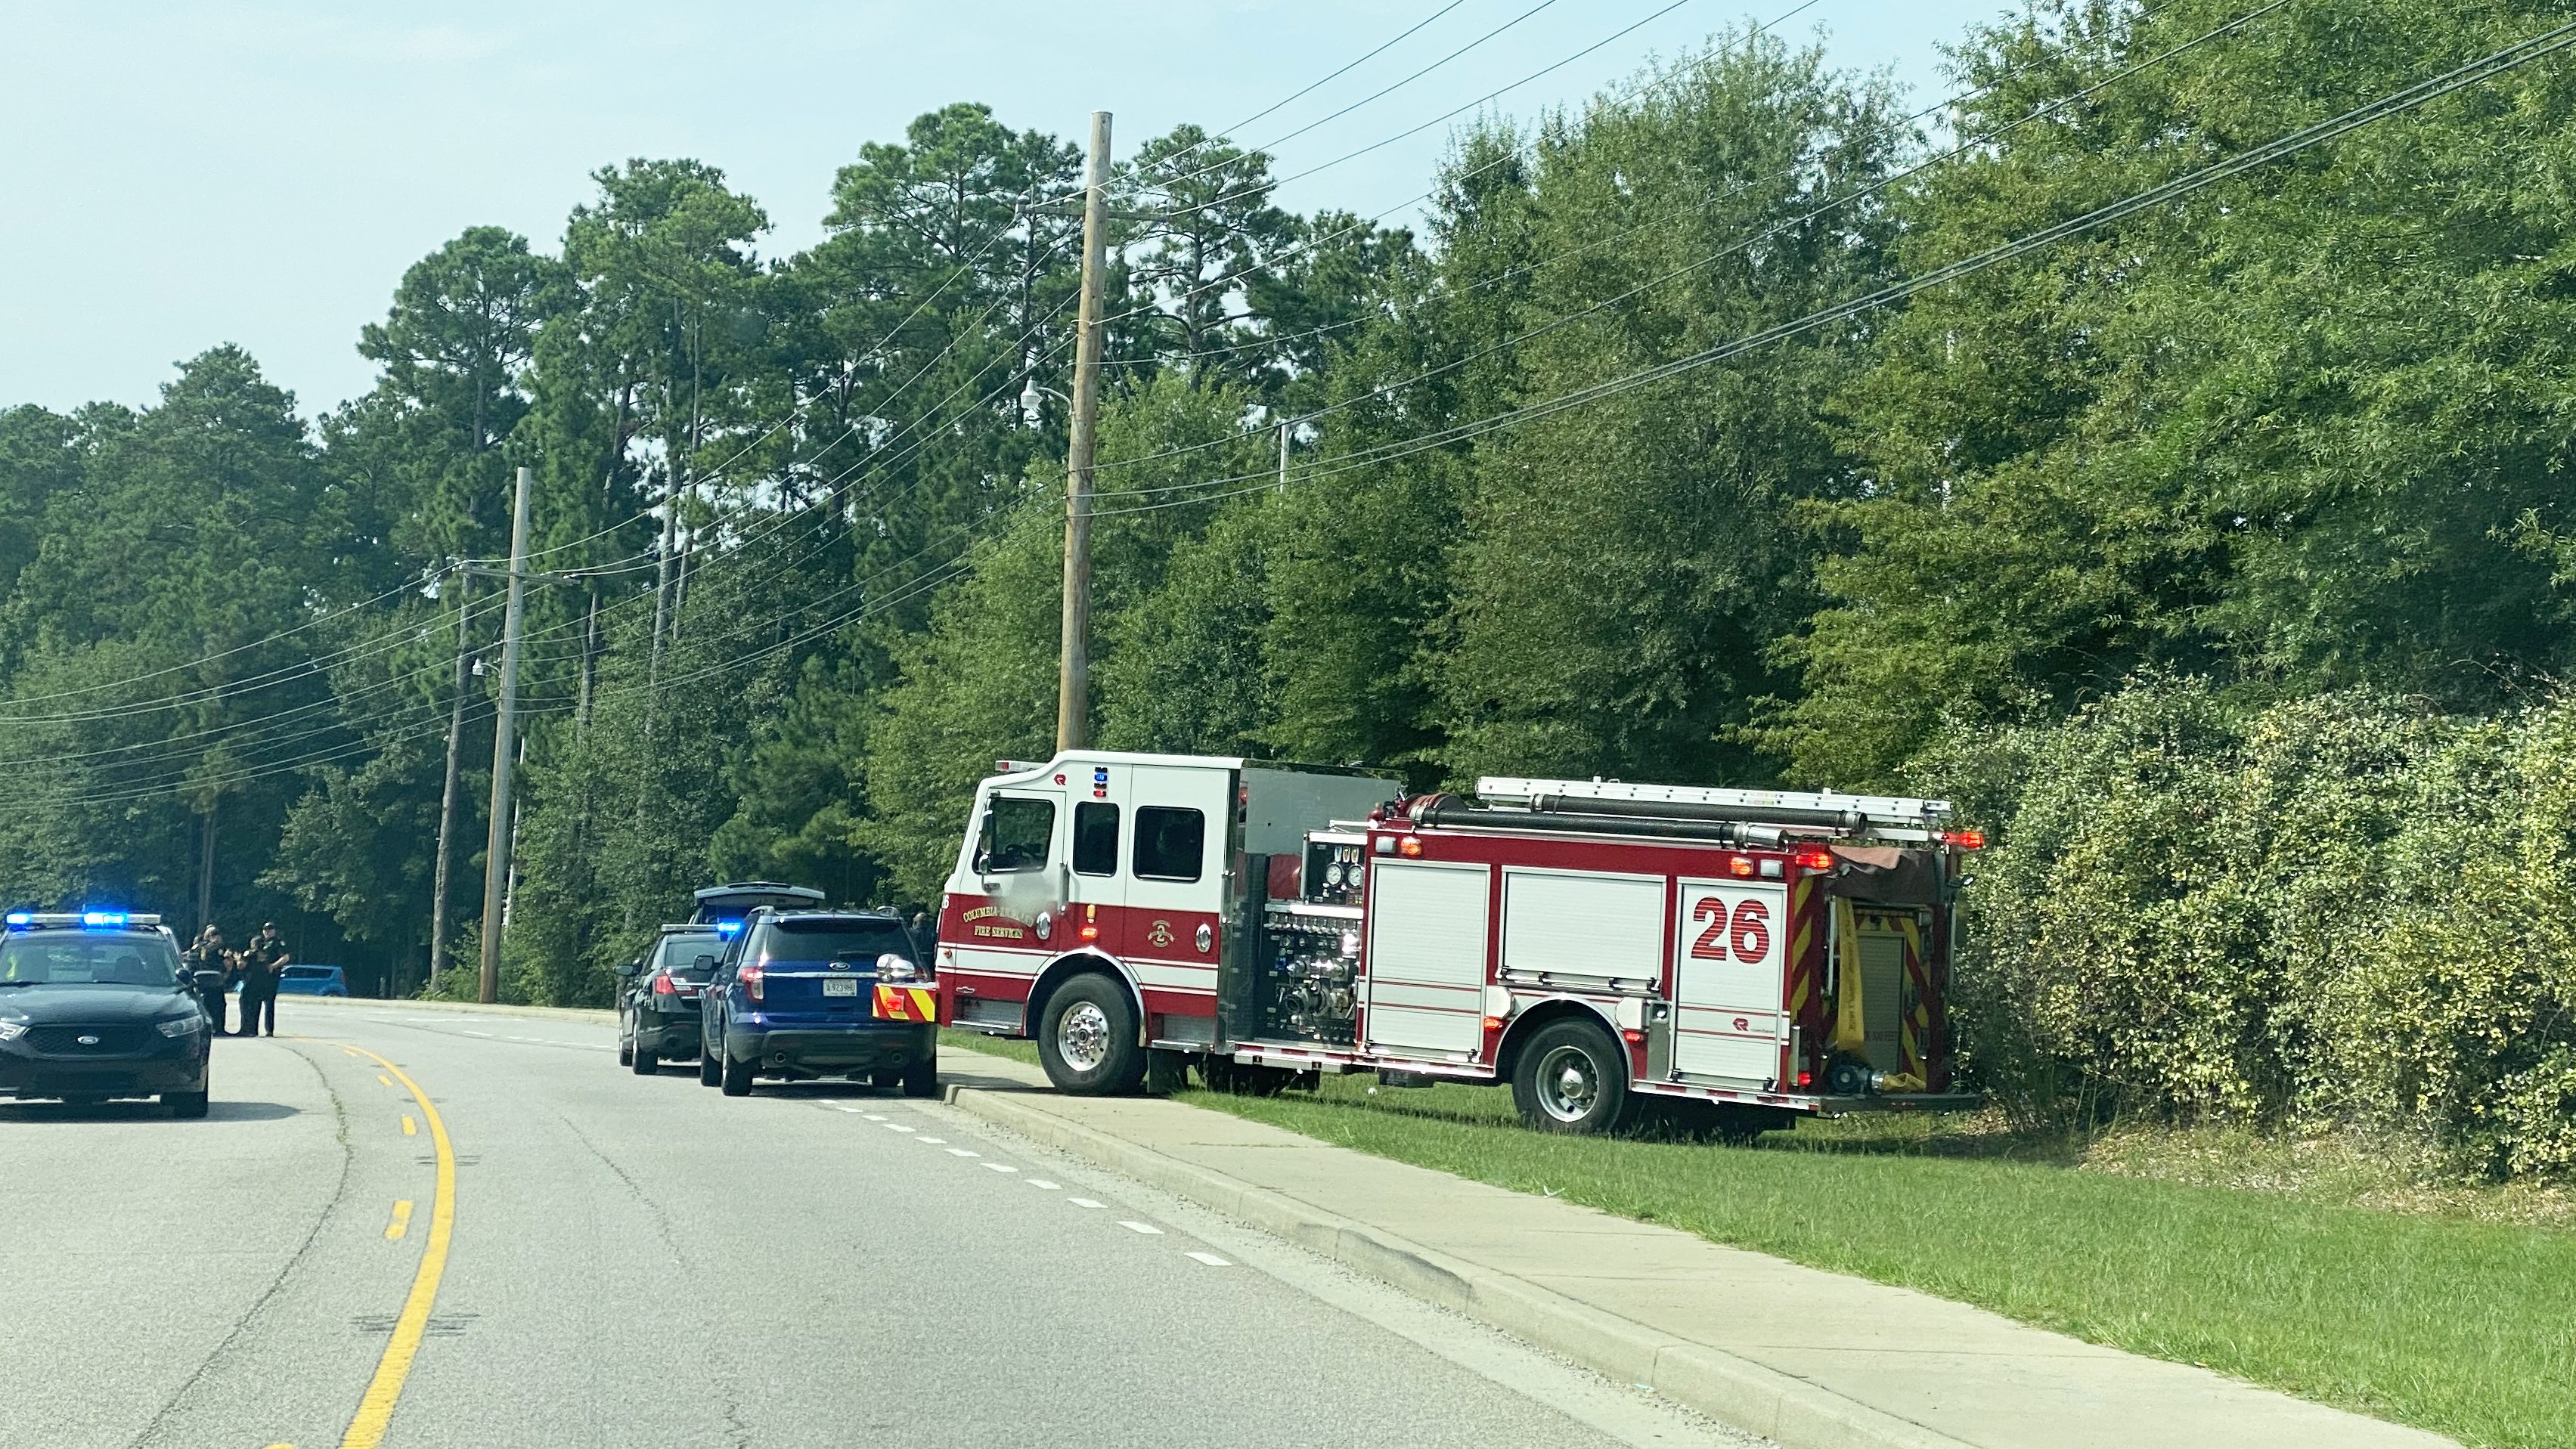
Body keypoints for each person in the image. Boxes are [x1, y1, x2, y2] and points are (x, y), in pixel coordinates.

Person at [238, 921, 290, 1037]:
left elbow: (285, 957)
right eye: (265, 930)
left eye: (270, 929)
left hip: (271, 977)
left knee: (269, 1003)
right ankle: (253, 1029)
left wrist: (273, 966)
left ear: (274, 930)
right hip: (259, 977)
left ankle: (269, 1030)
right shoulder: (261, 942)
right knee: (256, 1003)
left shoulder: (278, 943)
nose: (267, 932)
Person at [184, 924, 230, 1035]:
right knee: (219, 1004)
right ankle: (219, 1029)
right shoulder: (219, 947)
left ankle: (204, 1028)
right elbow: (226, 963)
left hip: (200, 979)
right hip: (215, 978)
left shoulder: (198, 946)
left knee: (204, 1004)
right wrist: (226, 971)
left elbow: (189, 959)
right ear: (213, 936)